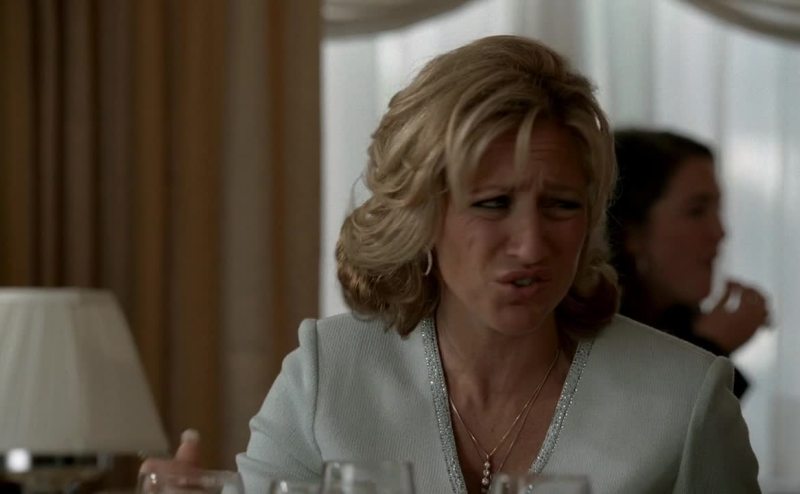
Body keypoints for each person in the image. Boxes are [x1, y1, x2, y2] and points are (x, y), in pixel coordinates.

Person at [142, 36, 759, 493]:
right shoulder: (327, 375)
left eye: (561, 205)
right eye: (492, 204)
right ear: (421, 214)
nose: (531, 245)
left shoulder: (685, 397)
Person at [608, 129, 770, 399]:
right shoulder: (590, 337)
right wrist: (709, 346)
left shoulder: (674, 324)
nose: (719, 232)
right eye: (696, 211)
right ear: (632, 232)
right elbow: (648, 419)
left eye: (717, 210)